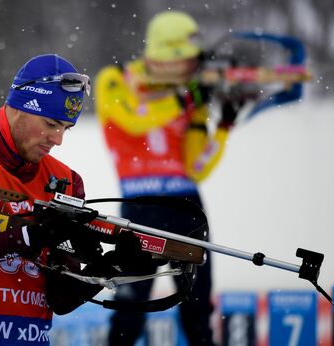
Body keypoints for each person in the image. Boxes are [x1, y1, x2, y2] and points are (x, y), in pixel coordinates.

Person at [0, 54, 116, 346]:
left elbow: (60, 298)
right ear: (20, 108)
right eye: (51, 124)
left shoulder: (67, 181)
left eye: (66, 128)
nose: (58, 139)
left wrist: (109, 267)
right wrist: (30, 235)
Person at [95, 11, 241, 345]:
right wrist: (185, 98)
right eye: (187, 60)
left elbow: (196, 166)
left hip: (187, 207)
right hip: (140, 208)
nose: (192, 68)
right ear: (166, 55)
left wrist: (222, 126)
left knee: (199, 311)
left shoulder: (189, 95)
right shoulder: (115, 79)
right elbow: (133, 120)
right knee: (130, 310)